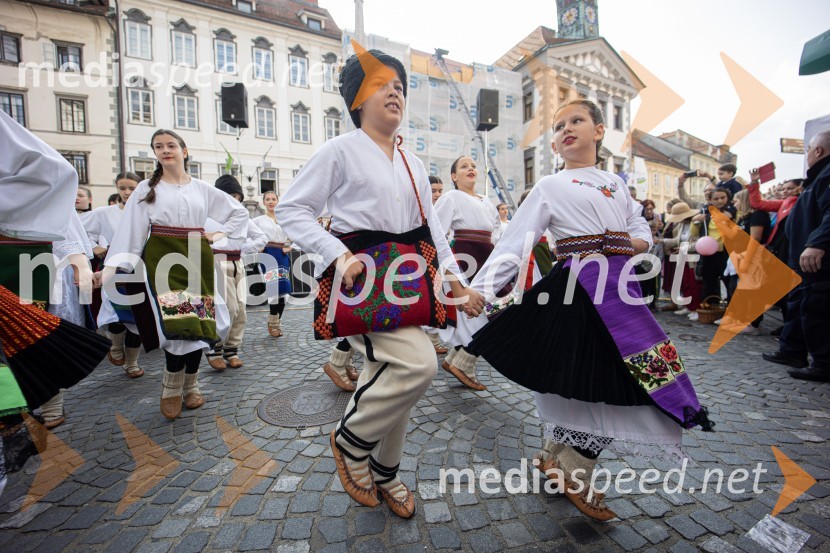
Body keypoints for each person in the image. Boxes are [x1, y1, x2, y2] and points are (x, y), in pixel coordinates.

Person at [463, 99, 712, 520]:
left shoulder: (615, 184)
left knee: (621, 377)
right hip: (576, 290)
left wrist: (621, 243)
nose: (565, 130)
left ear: (599, 131)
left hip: (620, 291)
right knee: (597, 377)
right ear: (556, 145)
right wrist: (479, 290)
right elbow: (516, 242)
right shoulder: (549, 187)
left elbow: (641, 233)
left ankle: (558, 454)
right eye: (558, 127)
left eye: (575, 121)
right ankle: (574, 462)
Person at [276, 48, 483, 519]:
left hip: (407, 276)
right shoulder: (338, 150)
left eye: (400, 85)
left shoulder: (412, 160)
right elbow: (292, 209)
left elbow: (431, 231)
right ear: (356, 98)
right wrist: (337, 254)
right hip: (364, 277)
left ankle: (385, 471)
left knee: (389, 376)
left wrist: (456, 284)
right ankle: (350, 443)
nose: (395, 91)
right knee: (418, 364)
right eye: (381, 83)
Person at [103, 129, 248, 420]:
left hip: (198, 257)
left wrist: (217, 234)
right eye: (158, 146)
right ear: (155, 153)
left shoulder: (202, 189)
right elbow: (130, 231)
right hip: (164, 258)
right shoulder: (146, 188)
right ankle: (171, 387)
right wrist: (110, 270)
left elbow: (238, 214)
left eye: (171, 145)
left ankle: (191, 384)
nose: (165, 150)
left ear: (184, 150)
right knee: (178, 323)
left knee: (198, 325)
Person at [765, 131, 830, 381]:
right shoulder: (818, 177)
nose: (807, 155)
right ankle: (793, 350)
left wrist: (817, 243)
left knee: (817, 310)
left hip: (817, 260)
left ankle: (824, 363)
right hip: (802, 260)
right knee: (801, 306)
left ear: (818, 151)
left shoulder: (826, 175)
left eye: (808, 149)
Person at [434, 155, 501, 391]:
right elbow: (437, 235)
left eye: (473, 165)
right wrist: (450, 272)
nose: (470, 168)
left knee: (496, 311)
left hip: (488, 259)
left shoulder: (487, 202)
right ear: (454, 176)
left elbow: (496, 234)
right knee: (480, 312)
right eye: (464, 166)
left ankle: (458, 360)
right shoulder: (451, 197)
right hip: (466, 259)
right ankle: (463, 362)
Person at [82, 173, 145, 378]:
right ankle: (116, 346)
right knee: (117, 313)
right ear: (117, 188)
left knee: (139, 317)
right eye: (122, 188)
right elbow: (78, 229)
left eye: (132, 188)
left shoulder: (147, 212)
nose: (127, 192)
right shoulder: (104, 213)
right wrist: (95, 246)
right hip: (114, 267)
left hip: (141, 268)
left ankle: (132, 363)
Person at [204, 175, 267, 370]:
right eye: (228, 195)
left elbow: (261, 237)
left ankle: (232, 349)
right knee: (226, 308)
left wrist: (242, 248)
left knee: (240, 309)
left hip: (237, 262)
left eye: (235, 196)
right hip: (216, 262)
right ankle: (215, 347)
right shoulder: (207, 216)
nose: (232, 199)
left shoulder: (241, 216)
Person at [689, 188, 735, 320]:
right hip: (709, 253)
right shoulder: (705, 213)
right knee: (708, 283)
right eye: (716, 199)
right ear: (710, 200)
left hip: (726, 254)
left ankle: (730, 314)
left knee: (729, 284)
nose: (720, 201)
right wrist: (694, 220)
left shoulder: (733, 212)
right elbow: (694, 233)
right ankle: (706, 310)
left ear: (728, 198)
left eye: (723, 198)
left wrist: (729, 220)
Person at [252, 191, 292, 338]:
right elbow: (247, 233)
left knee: (284, 290)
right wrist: (258, 246)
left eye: (273, 199)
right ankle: (273, 324)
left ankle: (276, 321)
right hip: (268, 255)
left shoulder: (284, 220)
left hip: (281, 255)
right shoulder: (258, 220)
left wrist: (290, 247)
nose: (270, 201)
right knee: (274, 290)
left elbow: (298, 234)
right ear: (263, 202)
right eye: (267, 199)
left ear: (277, 201)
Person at [663, 202, 702, 316]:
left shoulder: (696, 224)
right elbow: (677, 240)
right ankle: (688, 306)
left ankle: (696, 308)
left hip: (693, 259)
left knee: (694, 284)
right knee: (685, 282)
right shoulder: (681, 225)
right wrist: (664, 241)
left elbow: (699, 243)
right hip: (683, 257)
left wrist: (684, 248)